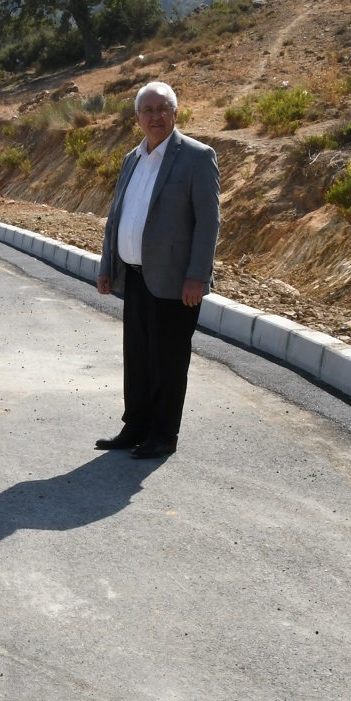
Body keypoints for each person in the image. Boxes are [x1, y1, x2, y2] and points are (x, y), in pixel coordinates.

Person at [93, 81, 221, 459]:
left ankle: (163, 435)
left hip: (176, 281)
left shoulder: (197, 157)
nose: (155, 116)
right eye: (147, 110)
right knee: (137, 358)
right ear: (137, 118)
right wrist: (107, 266)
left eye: (163, 108)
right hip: (133, 275)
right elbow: (116, 218)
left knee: (168, 360)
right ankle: (135, 426)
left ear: (175, 113)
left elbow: (208, 222)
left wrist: (197, 275)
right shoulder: (131, 158)